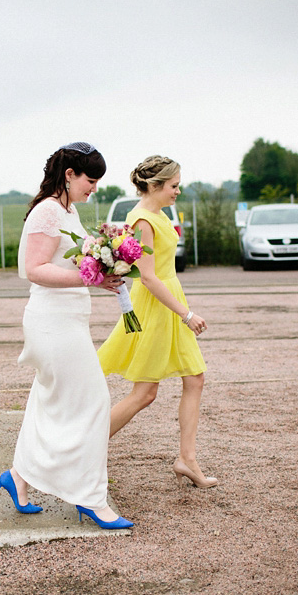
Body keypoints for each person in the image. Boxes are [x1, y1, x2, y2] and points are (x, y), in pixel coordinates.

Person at [0, 142, 134, 529]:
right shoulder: (47, 211)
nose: (94, 189)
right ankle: (91, 498)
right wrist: (92, 277)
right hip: (52, 323)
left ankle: (17, 479)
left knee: (47, 403)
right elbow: (34, 269)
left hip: (68, 321)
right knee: (94, 402)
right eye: (90, 181)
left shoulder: (67, 210)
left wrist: (101, 270)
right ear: (69, 175)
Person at [96, 155, 215, 488]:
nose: (178, 191)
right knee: (145, 393)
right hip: (156, 306)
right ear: (155, 185)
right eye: (174, 186)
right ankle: (84, 447)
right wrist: (186, 313)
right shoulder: (142, 220)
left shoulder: (158, 215)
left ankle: (187, 459)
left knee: (195, 378)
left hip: (169, 299)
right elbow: (147, 277)